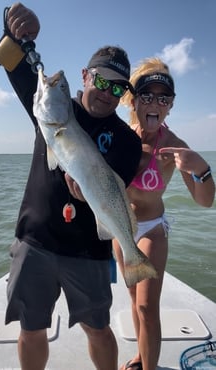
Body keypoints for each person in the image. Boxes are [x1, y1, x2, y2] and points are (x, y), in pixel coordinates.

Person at [0, 3, 142, 370]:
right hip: (36, 240)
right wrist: (16, 26)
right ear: (85, 76)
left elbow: (112, 191)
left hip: (88, 251)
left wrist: (95, 204)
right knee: (31, 329)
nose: (108, 93)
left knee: (99, 330)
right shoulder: (52, 108)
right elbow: (11, 59)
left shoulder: (127, 140)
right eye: (102, 81)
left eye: (118, 88)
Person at [113, 57, 215, 370]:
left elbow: (204, 201)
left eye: (163, 98)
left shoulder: (174, 146)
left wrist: (202, 169)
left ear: (170, 105)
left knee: (146, 305)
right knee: (133, 301)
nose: (155, 103)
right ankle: (142, 357)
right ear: (133, 100)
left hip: (152, 231)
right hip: (121, 229)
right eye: (147, 95)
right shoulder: (120, 136)